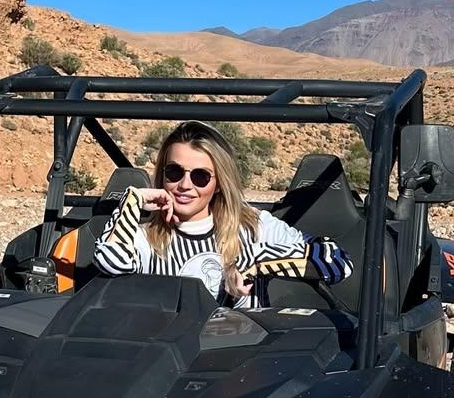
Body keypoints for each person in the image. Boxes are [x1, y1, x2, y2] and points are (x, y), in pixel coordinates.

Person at [92, 121, 353, 308]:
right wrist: (132, 200)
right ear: (161, 174)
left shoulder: (252, 226)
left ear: (218, 183)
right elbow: (111, 260)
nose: (184, 185)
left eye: (200, 176)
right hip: (165, 362)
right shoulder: (147, 238)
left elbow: (337, 261)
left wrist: (256, 264)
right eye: (174, 172)